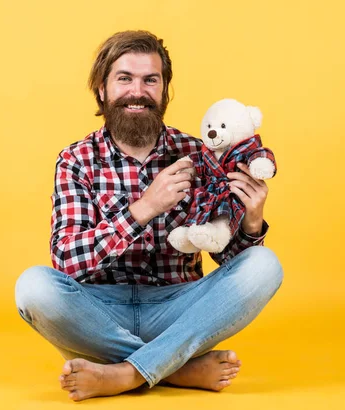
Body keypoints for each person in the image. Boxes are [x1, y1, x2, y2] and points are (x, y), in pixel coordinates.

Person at [15, 30, 283, 402]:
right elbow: (67, 261)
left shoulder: (198, 153)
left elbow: (230, 264)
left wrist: (251, 221)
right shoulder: (76, 160)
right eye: (124, 78)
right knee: (33, 287)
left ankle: (125, 372)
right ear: (102, 90)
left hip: (179, 307)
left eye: (150, 80)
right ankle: (177, 367)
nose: (137, 91)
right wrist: (144, 208)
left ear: (164, 91)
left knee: (264, 264)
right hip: (99, 313)